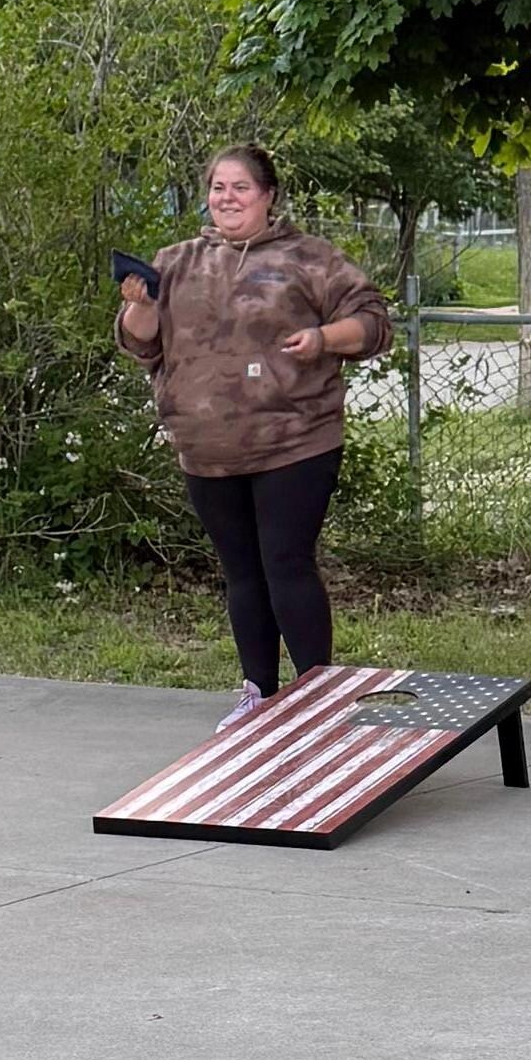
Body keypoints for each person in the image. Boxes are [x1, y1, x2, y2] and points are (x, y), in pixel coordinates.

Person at [117, 146, 396, 716]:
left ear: (269, 196)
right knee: (240, 571)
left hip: (295, 443)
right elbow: (141, 344)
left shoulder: (310, 259)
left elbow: (373, 325)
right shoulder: (175, 262)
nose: (228, 198)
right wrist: (139, 306)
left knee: (285, 564)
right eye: (218, 187)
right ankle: (258, 695)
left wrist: (322, 339)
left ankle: (319, 697)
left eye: (241, 187)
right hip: (207, 450)